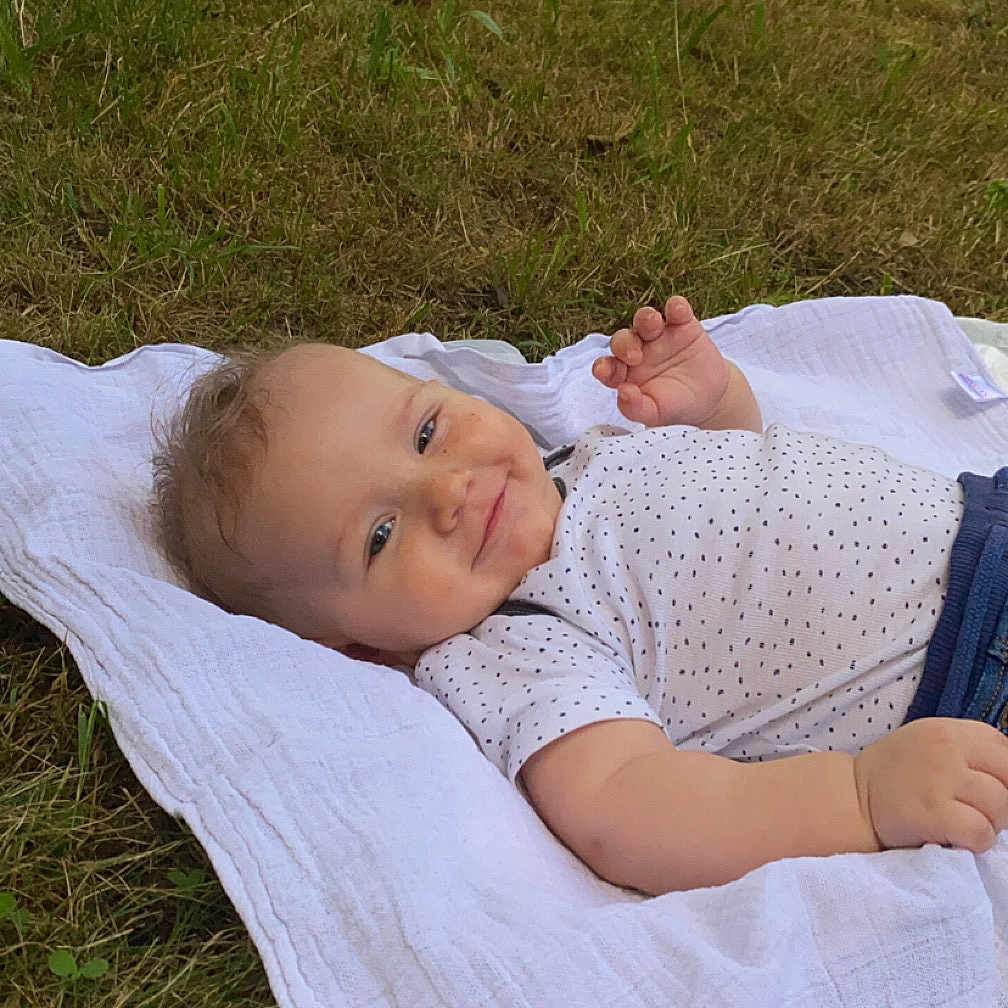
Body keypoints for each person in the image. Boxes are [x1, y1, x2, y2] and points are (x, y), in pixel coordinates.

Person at [152, 295, 1008, 895]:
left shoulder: (571, 461)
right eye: (380, 537)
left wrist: (716, 407)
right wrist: (860, 796)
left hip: (979, 510)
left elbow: (738, 529)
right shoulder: (515, 647)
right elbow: (629, 812)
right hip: (968, 658)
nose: (444, 490)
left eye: (425, 433)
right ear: (363, 648)